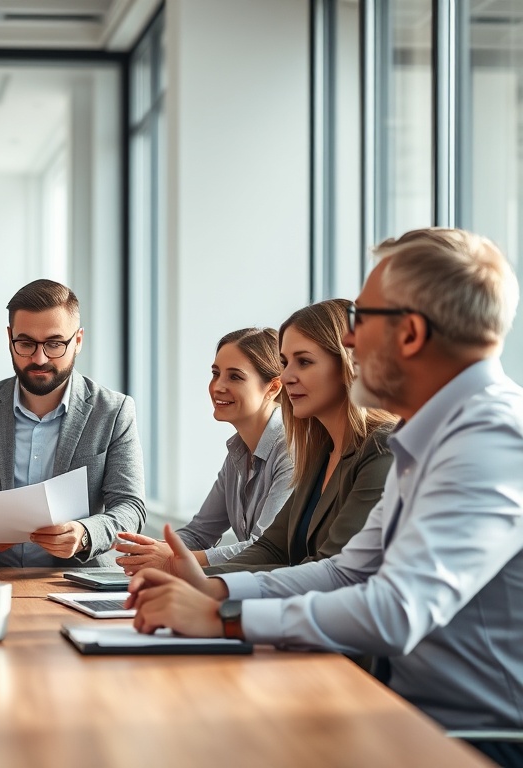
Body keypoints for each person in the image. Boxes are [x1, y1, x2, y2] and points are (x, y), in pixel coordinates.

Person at [127, 228, 523, 766]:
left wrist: (225, 618)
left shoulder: (490, 438)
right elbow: (347, 572)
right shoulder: (429, 434)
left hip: (470, 740)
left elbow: (396, 610)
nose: (351, 341)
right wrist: (215, 590)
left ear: (409, 333)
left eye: (362, 319)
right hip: (400, 712)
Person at [151, 299, 396, 579]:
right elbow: (271, 549)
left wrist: (201, 581)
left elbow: (332, 571)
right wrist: (185, 575)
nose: (287, 376)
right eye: (285, 363)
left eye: (304, 362)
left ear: (349, 365)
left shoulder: (381, 448)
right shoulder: (318, 453)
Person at [0, 278, 146, 567]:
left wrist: (84, 534)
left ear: (78, 341)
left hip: (76, 582)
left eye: (54, 344)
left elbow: (131, 508)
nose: (40, 358)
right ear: (10, 338)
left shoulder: (113, 411)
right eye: (26, 344)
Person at [114, 327, 292, 571]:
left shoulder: (290, 451)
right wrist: (149, 551)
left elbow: (265, 549)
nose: (218, 386)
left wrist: (173, 558)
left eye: (235, 377)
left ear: (273, 388)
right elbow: (199, 534)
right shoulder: (238, 452)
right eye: (216, 374)